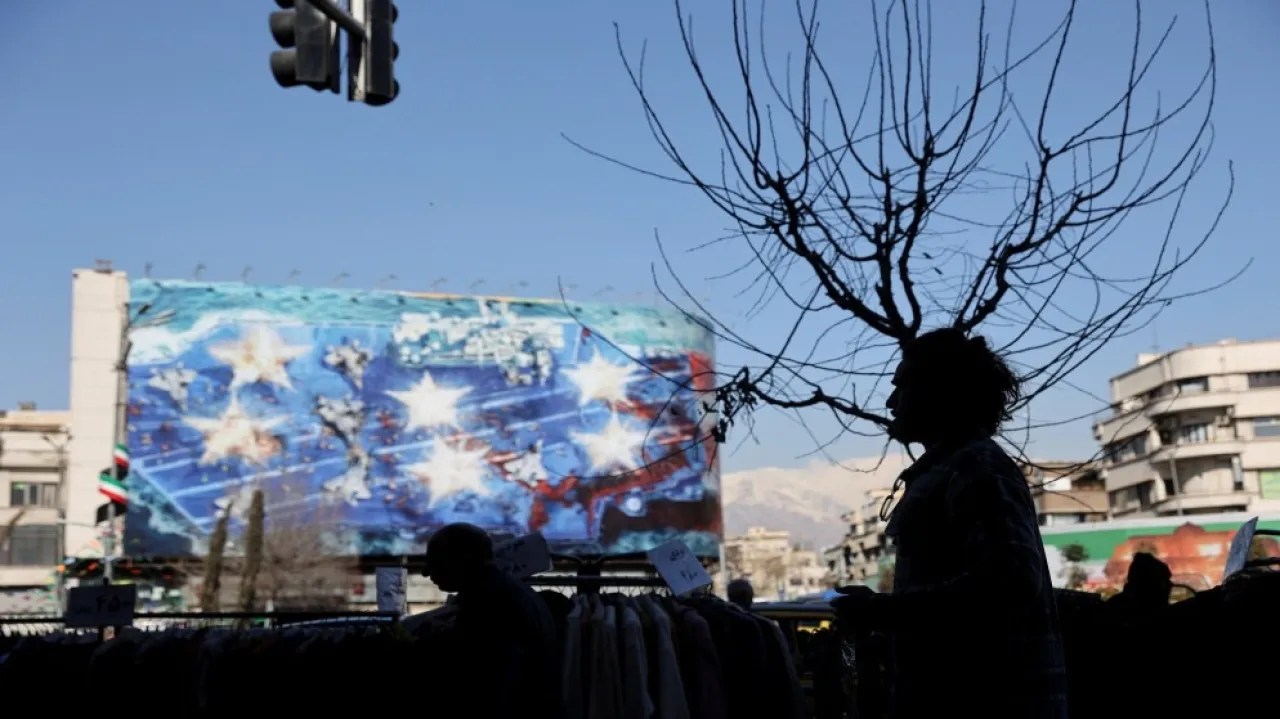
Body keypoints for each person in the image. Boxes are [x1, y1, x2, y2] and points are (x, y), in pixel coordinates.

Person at [832, 328, 1068, 719]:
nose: (891, 403)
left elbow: (1010, 582)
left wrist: (883, 610)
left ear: (939, 392)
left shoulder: (977, 468)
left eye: (902, 387)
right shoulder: (956, 468)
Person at [425, 523, 564, 719]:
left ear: (465, 558)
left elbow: (488, 678)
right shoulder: (506, 591)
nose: (427, 574)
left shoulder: (487, 600)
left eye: (437, 563)